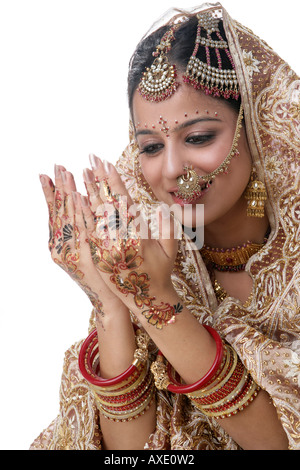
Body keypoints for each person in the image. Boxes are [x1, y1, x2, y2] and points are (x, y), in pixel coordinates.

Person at [32, 3, 299, 450]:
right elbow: (130, 453)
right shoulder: (148, 249)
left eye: (197, 138)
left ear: (256, 128)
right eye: (151, 146)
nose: (172, 169)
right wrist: (112, 301)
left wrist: (157, 301)